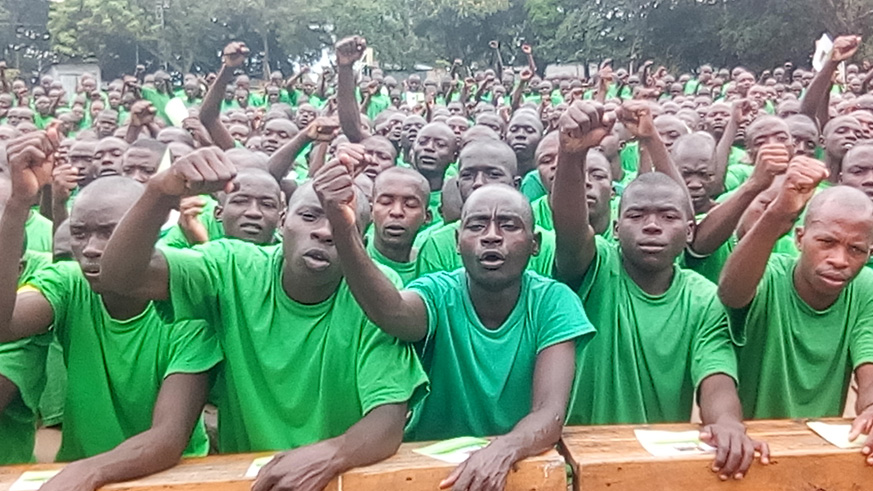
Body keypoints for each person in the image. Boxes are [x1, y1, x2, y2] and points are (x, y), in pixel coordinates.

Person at [99, 146, 428, 489]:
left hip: (335, 480)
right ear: (283, 222)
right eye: (310, 216)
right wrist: (159, 192)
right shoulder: (232, 267)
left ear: (360, 240)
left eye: (342, 225)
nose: (325, 232)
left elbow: (388, 420)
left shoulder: (376, 293)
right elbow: (121, 278)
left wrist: (330, 455)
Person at [314, 145, 593, 488]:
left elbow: (548, 414)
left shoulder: (553, 301)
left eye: (508, 225)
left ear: (535, 243)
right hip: (430, 475)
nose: (492, 236)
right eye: (477, 225)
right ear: (458, 241)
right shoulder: (438, 292)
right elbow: (392, 313)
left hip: (518, 470)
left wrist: (503, 449)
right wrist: (344, 230)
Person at [551, 101, 767, 481]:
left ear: (688, 233)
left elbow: (715, 378)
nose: (651, 225)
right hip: (577, 461)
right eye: (636, 215)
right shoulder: (596, 268)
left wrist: (728, 423)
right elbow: (570, 229)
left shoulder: (702, 297)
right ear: (615, 229)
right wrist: (572, 156)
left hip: (656, 470)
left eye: (667, 217)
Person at [0, 132, 223, 490]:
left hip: (169, 478)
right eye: (79, 233)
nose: (89, 249)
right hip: (77, 473)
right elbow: (3, 326)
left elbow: (168, 436)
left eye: (109, 233)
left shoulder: (187, 307)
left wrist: (87, 473)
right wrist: (18, 204)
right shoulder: (68, 283)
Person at [718, 159, 873, 464]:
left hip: (815, 452)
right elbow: (731, 293)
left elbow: (868, 367)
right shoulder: (769, 274)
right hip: (750, 448)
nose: (840, 259)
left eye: (856, 250)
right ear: (800, 238)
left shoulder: (865, 288)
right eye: (826, 242)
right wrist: (778, 213)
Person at [416, 138, 557, 278]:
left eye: (493, 174)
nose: (478, 183)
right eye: (467, 175)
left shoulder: (547, 243)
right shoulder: (437, 245)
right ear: (458, 185)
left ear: (516, 185)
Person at [367, 167, 431, 285]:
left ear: (427, 217)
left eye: (410, 205)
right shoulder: (352, 258)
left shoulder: (433, 266)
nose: (397, 212)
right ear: (371, 210)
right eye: (386, 202)